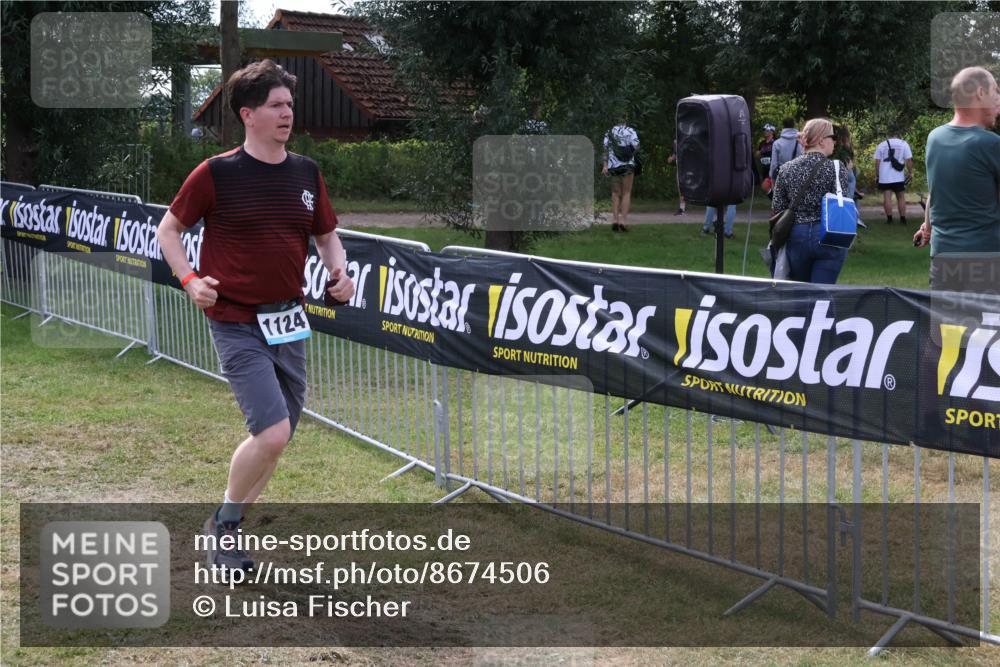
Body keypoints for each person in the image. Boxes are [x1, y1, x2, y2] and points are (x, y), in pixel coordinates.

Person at [156, 60, 356, 573]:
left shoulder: (307, 172)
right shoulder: (217, 172)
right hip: (235, 319)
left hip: (289, 319)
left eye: (289, 104)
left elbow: (326, 233)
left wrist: (340, 272)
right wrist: (190, 280)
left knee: (279, 438)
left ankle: (229, 531)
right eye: (276, 105)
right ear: (248, 114)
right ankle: (222, 525)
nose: (288, 113)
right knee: (271, 433)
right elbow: (168, 231)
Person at [913, 66, 1000, 287]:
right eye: (996, 92)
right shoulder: (990, 144)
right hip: (986, 260)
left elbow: (934, 191)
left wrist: (928, 229)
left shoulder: (935, 138)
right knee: (986, 322)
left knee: (948, 322)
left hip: (943, 259)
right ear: (980, 93)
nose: (999, 99)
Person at [771, 118, 852, 284]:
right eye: (832, 137)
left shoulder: (786, 169)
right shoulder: (836, 168)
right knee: (822, 296)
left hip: (796, 236)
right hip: (828, 236)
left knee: (801, 294)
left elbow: (778, 208)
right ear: (822, 140)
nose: (834, 142)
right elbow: (840, 203)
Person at [602, 117, 639, 231]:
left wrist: (605, 165)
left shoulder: (609, 132)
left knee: (615, 192)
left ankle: (615, 220)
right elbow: (636, 146)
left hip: (613, 165)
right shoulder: (630, 131)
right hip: (627, 165)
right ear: (626, 118)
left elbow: (605, 149)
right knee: (626, 193)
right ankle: (623, 221)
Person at [873, 126, 914, 224]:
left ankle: (889, 219)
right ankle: (903, 219)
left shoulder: (881, 145)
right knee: (901, 197)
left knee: (887, 197)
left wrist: (878, 175)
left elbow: (877, 162)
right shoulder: (904, 144)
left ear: (888, 134)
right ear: (898, 134)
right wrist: (910, 172)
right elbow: (908, 160)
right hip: (898, 176)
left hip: (885, 177)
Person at [769, 117, 803, 184]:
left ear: (783, 126)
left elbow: (774, 164)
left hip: (782, 176)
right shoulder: (801, 142)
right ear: (794, 125)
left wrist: (772, 176)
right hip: (798, 176)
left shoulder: (777, 143)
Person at [831, 124, 858, 200]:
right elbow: (851, 155)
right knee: (850, 187)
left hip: (841, 168)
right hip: (847, 167)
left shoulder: (835, 142)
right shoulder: (846, 142)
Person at [666, 139, 685, 215]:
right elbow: (675, 153)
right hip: (680, 168)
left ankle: (682, 209)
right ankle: (682, 209)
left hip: (685, 168)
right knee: (681, 189)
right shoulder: (676, 140)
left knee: (682, 188)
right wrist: (671, 158)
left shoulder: (685, 140)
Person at [757, 123, 776, 197]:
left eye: (767, 130)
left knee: (765, 186)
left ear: (772, 132)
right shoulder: (762, 143)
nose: (765, 132)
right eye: (764, 130)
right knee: (767, 188)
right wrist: (759, 153)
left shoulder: (775, 143)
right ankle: (777, 204)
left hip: (773, 169)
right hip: (764, 168)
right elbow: (757, 154)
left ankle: (777, 204)